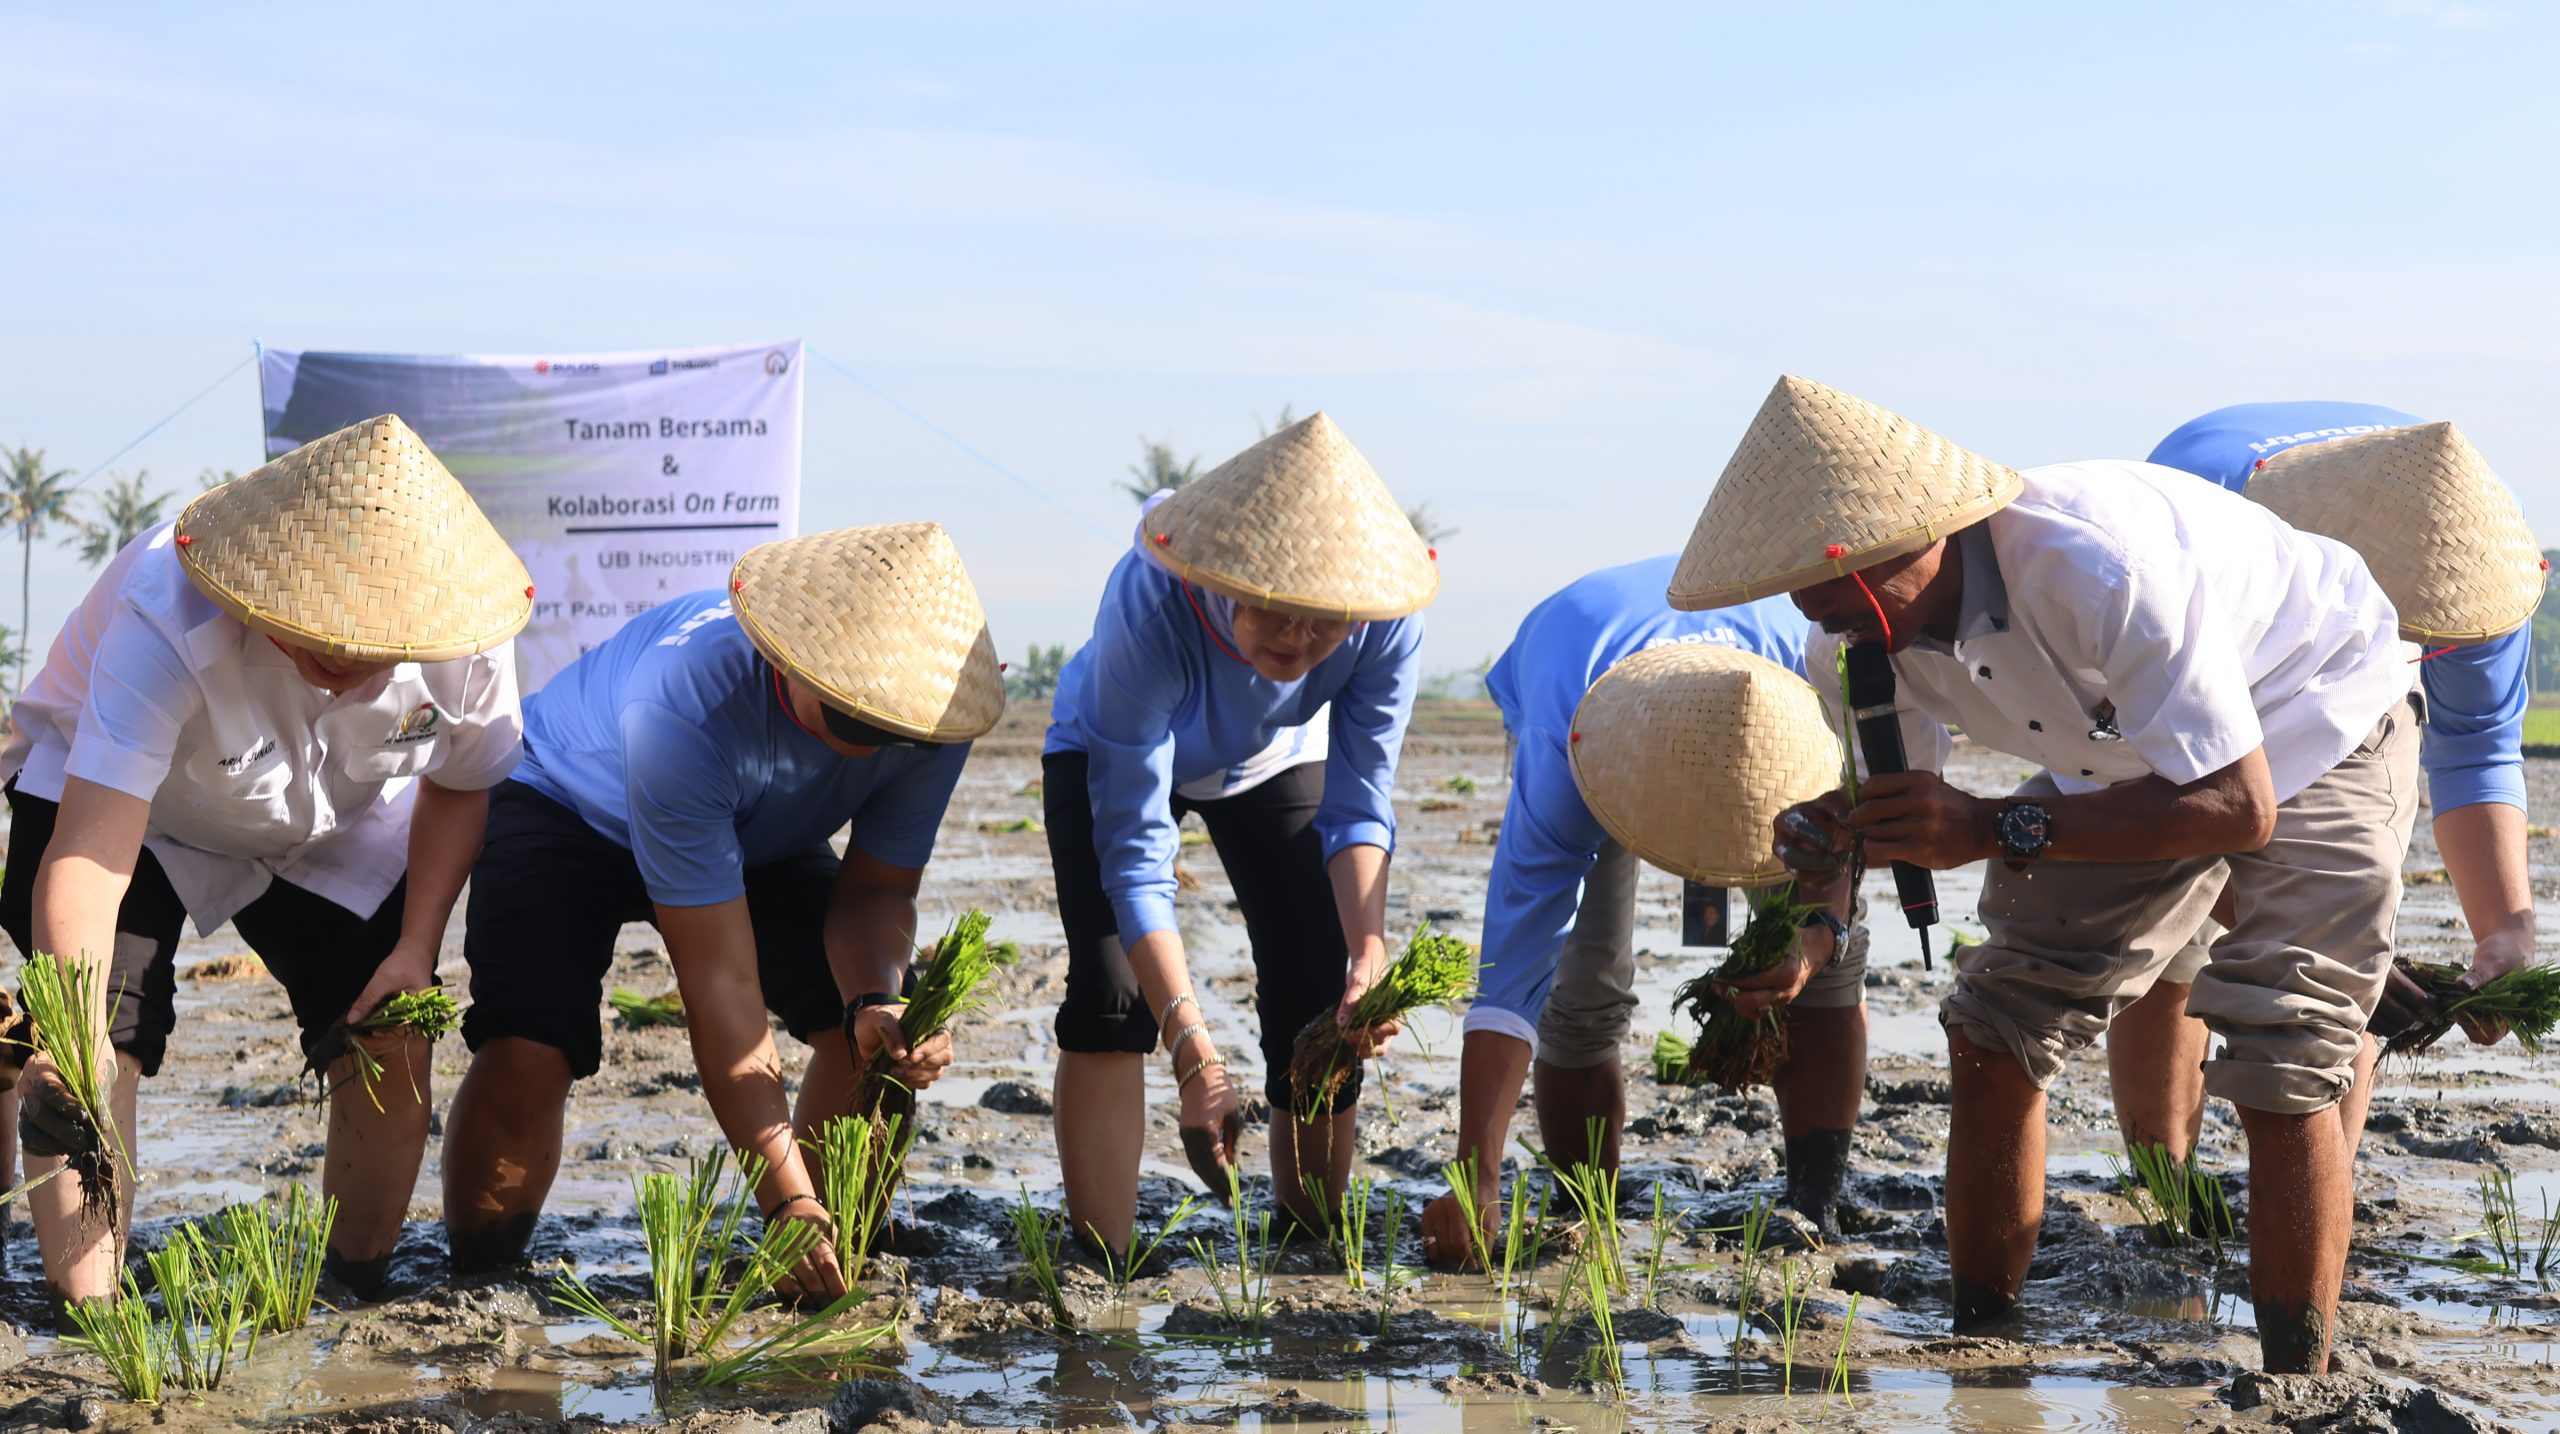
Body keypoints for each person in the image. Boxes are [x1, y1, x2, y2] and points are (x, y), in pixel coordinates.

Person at [1684, 375, 2416, 1373]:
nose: (1812, 603)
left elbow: (2240, 808)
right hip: (2125, 758)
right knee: (1993, 1026)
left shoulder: (2095, 569)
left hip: (2311, 711)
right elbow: (1889, 813)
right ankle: (1987, 1352)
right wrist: (1812, 933)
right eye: (1792, 581)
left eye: (1835, 575)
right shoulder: (1852, 641)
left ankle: (2298, 1382)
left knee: (2283, 1051)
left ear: (1926, 532)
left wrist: (1992, 825)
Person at [0, 415, 529, 1302]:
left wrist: (415, 950)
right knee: (99, 1046)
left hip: (326, 820)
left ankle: (356, 1276)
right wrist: (80, 1020)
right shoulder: (168, 607)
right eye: (318, 635)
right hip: (129, 807)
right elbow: (91, 849)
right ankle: (89, 1319)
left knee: (389, 1027)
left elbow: (462, 784)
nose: (343, 662)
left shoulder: (466, 638)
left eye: (371, 650)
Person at [440, 523, 1002, 1299]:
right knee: (533, 1045)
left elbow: (876, 891)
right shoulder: (687, 702)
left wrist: (874, 996)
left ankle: (817, 1263)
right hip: (569, 802)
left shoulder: (929, 721)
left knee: (873, 1038)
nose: (871, 743)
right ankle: (478, 1278)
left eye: (891, 728)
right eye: (846, 713)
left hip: (753, 830)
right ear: (783, 652)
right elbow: (722, 992)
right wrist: (782, 1193)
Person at [2108, 404, 2544, 1164]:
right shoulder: (2196, 519)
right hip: (2212, 660)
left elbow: (2474, 747)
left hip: (2370, 698)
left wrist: (2504, 929)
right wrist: (2296, 919)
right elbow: (2161, 791)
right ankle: (2165, 1186)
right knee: (2169, 932)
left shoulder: (2478, 557)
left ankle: (2318, 1201)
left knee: (2340, 974)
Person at [1045, 412, 1434, 1254]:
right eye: (1273, 610)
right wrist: (1194, 1053)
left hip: (1268, 756)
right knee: (1113, 991)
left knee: (1317, 980)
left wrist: (1369, 955)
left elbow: (1361, 803)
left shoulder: (1388, 621)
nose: (1299, 638)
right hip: (1108, 748)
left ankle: (1310, 1237)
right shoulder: (1153, 608)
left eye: (1323, 620)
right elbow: (1137, 855)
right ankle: (1098, 1262)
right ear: (1225, 577)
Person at [1415, 560, 1871, 1265]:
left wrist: (1816, 943)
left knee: (1828, 967)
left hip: (1771, 715)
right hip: (1586, 696)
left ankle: (1816, 1204)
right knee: (1578, 979)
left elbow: (1839, 853)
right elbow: (1511, 981)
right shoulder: (1563, 754)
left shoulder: (1816, 674)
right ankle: (1582, 1204)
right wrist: (1475, 1177)